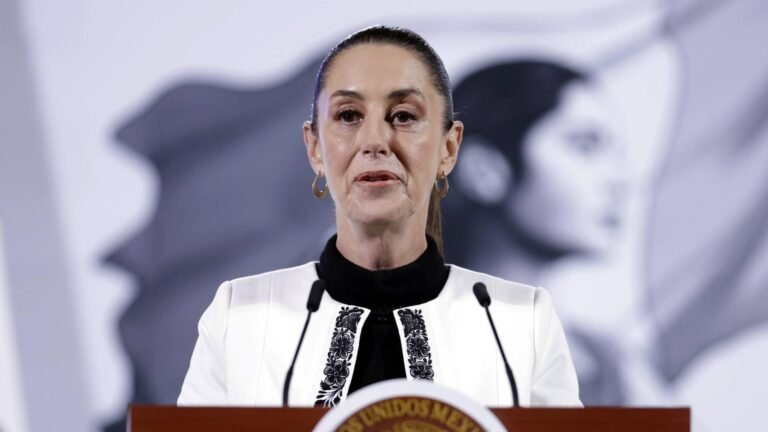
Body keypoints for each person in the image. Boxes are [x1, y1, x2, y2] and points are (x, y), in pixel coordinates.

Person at [177, 26, 580, 408]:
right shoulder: (241, 316)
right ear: (315, 148)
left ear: (448, 148)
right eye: (348, 116)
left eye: (404, 115)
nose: (374, 141)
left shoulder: (521, 322)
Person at [442, 61, 627, 404]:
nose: (619, 179)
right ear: (484, 169)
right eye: (585, 147)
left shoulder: (608, 362)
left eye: (616, 155)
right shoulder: (402, 346)